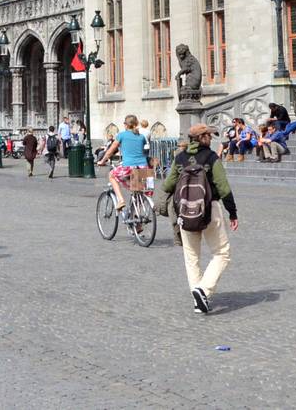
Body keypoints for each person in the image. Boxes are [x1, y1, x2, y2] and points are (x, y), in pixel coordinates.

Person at [154, 124, 237, 315]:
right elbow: (223, 187)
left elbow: (168, 184)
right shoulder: (211, 157)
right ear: (202, 137)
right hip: (210, 209)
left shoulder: (180, 158)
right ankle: (204, 290)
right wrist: (233, 213)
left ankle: (197, 300)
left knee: (192, 257)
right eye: (209, 135)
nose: (211, 138)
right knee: (222, 253)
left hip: (185, 211)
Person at [98, 114, 151, 211]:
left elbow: (110, 151)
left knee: (111, 175)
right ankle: (137, 220)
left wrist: (102, 161)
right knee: (137, 190)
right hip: (144, 167)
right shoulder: (141, 137)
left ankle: (121, 200)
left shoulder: (121, 135)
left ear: (125, 125)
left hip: (129, 166)